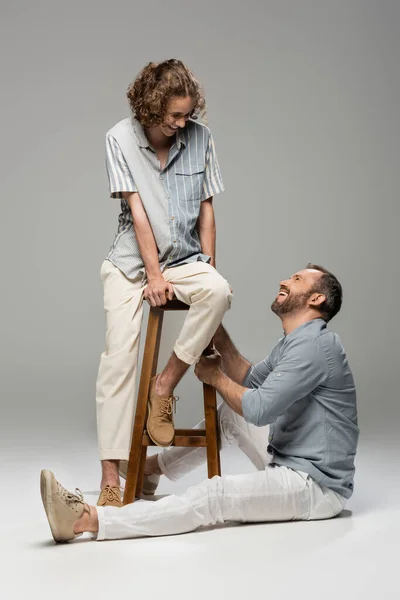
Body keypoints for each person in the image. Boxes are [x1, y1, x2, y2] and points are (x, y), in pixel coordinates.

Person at [40, 264, 359, 543]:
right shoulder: (294, 341)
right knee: (229, 417)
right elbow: (250, 380)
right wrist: (214, 329)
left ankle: (88, 520)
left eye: (297, 279)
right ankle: (152, 471)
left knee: (214, 496)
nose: (284, 281)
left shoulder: (316, 346)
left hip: (315, 486)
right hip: (289, 460)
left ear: (316, 299)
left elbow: (260, 409)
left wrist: (216, 378)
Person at [96, 59, 232, 507]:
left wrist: (209, 266)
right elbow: (137, 211)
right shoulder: (119, 138)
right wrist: (152, 275)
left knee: (218, 291)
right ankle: (112, 477)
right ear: (150, 108)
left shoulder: (202, 138)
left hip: (185, 257)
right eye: (173, 115)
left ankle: (164, 385)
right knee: (118, 360)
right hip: (132, 262)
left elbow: (208, 210)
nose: (181, 123)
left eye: (186, 114)